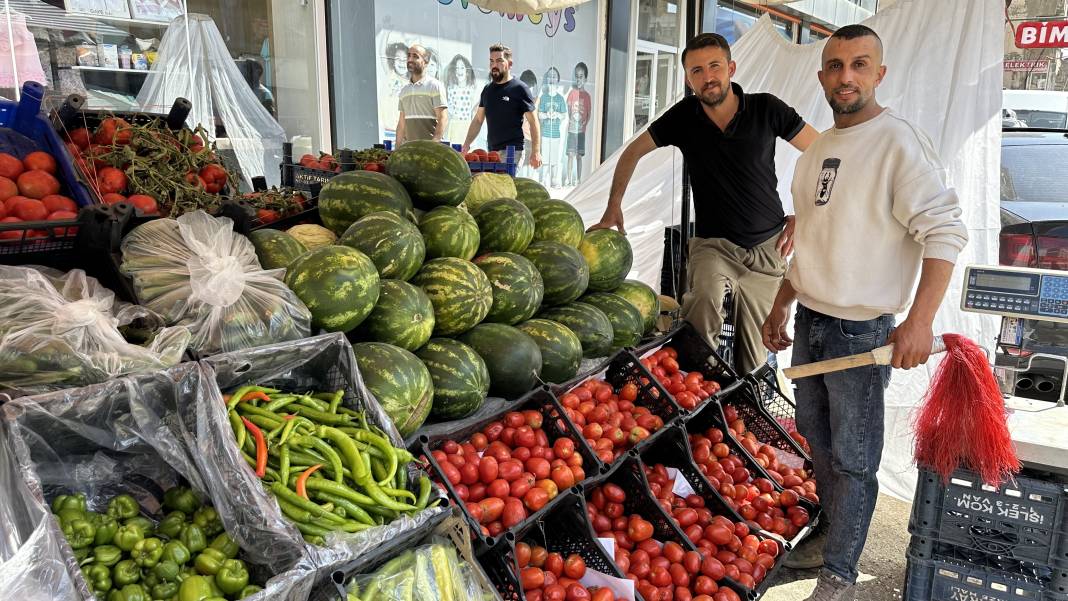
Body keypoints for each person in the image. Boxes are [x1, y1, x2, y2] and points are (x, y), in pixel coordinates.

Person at [761, 25, 968, 601]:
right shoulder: (819, 150)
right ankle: (832, 540)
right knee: (816, 440)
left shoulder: (898, 143)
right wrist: (783, 301)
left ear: (879, 73)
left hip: (863, 332)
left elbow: (945, 232)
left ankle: (840, 575)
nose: (845, 76)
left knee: (854, 457)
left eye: (859, 64)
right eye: (834, 65)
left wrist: (919, 322)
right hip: (812, 323)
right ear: (822, 75)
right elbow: (812, 236)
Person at [589, 32, 818, 375]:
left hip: (767, 249)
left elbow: (824, 154)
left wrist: (806, 215)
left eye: (714, 66)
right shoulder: (683, 117)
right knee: (704, 308)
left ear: (731, 68)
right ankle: (698, 387)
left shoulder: (767, 108)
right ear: (687, 78)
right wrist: (613, 205)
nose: (707, 76)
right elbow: (632, 152)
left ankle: (741, 399)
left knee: (753, 361)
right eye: (697, 70)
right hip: (714, 246)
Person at [462, 44, 542, 170]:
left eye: (499, 61)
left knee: (505, 185)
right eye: (491, 61)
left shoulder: (520, 88)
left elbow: (533, 122)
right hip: (492, 152)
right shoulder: (487, 90)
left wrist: (536, 151)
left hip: (513, 152)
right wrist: (466, 144)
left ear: (510, 64)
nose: (494, 65)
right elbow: (478, 120)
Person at [396, 44, 448, 145]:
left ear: (426, 61)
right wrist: (397, 149)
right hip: (409, 151)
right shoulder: (404, 91)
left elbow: (443, 118)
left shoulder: (435, 86)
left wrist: (433, 144)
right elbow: (401, 124)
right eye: (409, 55)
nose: (410, 59)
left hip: (430, 152)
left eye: (415, 56)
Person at [537, 67, 567, 188]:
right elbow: (539, 114)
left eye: (554, 76)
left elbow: (564, 114)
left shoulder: (560, 98)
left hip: (556, 133)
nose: (552, 79)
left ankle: (554, 179)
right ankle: (543, 179)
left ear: (558, 79)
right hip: (545, 133)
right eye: (550, 76)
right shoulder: (543, 97)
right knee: (545, 158)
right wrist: (546, 115)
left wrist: (557, 115)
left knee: (554, 158)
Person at [565, 62, 592, 186]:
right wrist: (572, 121)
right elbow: (569, 111)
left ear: (585, 78)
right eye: (576, 76)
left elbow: (589, 114)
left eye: (581, 76)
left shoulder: (587, 97)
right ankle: (568, 179)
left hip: (581, 132)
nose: (578, 79)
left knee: (579, 156)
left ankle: (578, 179)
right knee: (570, 154)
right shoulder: (571, 94)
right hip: (572, 130)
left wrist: (584, 123)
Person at [445, 54, 478, 143]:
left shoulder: (471, 88)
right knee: (455, 152)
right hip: (455, 125)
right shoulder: (451, 88)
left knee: (467, 152)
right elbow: (449, 110)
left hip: (467, 125)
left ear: (467, 71)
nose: (459, 70)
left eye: (462, 67)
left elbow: (475, 108)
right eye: (457, 68)